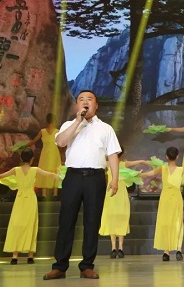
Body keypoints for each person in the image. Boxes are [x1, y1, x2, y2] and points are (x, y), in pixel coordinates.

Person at [43, 90, 121, 281]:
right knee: (66, 221)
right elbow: (60, 142)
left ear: (96, 105)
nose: (85, 102)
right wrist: (78, 121)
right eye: (81, 99)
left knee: (92, 222)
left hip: (95, 178)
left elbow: (112, 154)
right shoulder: (69, 124)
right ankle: (60, 266)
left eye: (89, 99)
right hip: (73, 177)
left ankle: (87, 266)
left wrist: (115, 179)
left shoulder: (106, 128)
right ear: (77, 105)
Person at [0, 148, 60, 264]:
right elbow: (51, 175)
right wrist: (63, 176)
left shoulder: (16, 170)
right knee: (30, 225)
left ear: (21, 158)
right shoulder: (35, 169)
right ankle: (30, 256)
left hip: (19, 199)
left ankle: (15, 256)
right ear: (32, 159)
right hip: (30, 199)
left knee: (16, 225)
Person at [141, 146, 184, 261]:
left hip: (165, 198)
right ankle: (179, 249)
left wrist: (132, 174)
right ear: (177, 156)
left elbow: (148, 174)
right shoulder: (180, 169)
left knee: (166, 222)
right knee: (177, 222)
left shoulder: (162, 168)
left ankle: (166, 252)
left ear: (166, 157)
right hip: (176, 198)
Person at [99, 150, 150, 259]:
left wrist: (142, 161)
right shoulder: (110, 164)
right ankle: (115, 248)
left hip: (119, 195)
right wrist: (142, 161)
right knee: (113, 219)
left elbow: (135, 163)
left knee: (119, 219)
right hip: (112, 195)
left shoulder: (119, 164)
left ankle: (118, 248)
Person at [29, 113, 63, 199]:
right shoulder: (57, 131)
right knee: (55, 171)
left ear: (47, 121)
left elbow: (33, 141)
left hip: (45, 154)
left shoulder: (42, 131)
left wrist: (24, 146)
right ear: (54, 121)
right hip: (54, 153)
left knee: (44, 171)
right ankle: (55, 194)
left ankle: (44, 194)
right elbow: (62, 143)